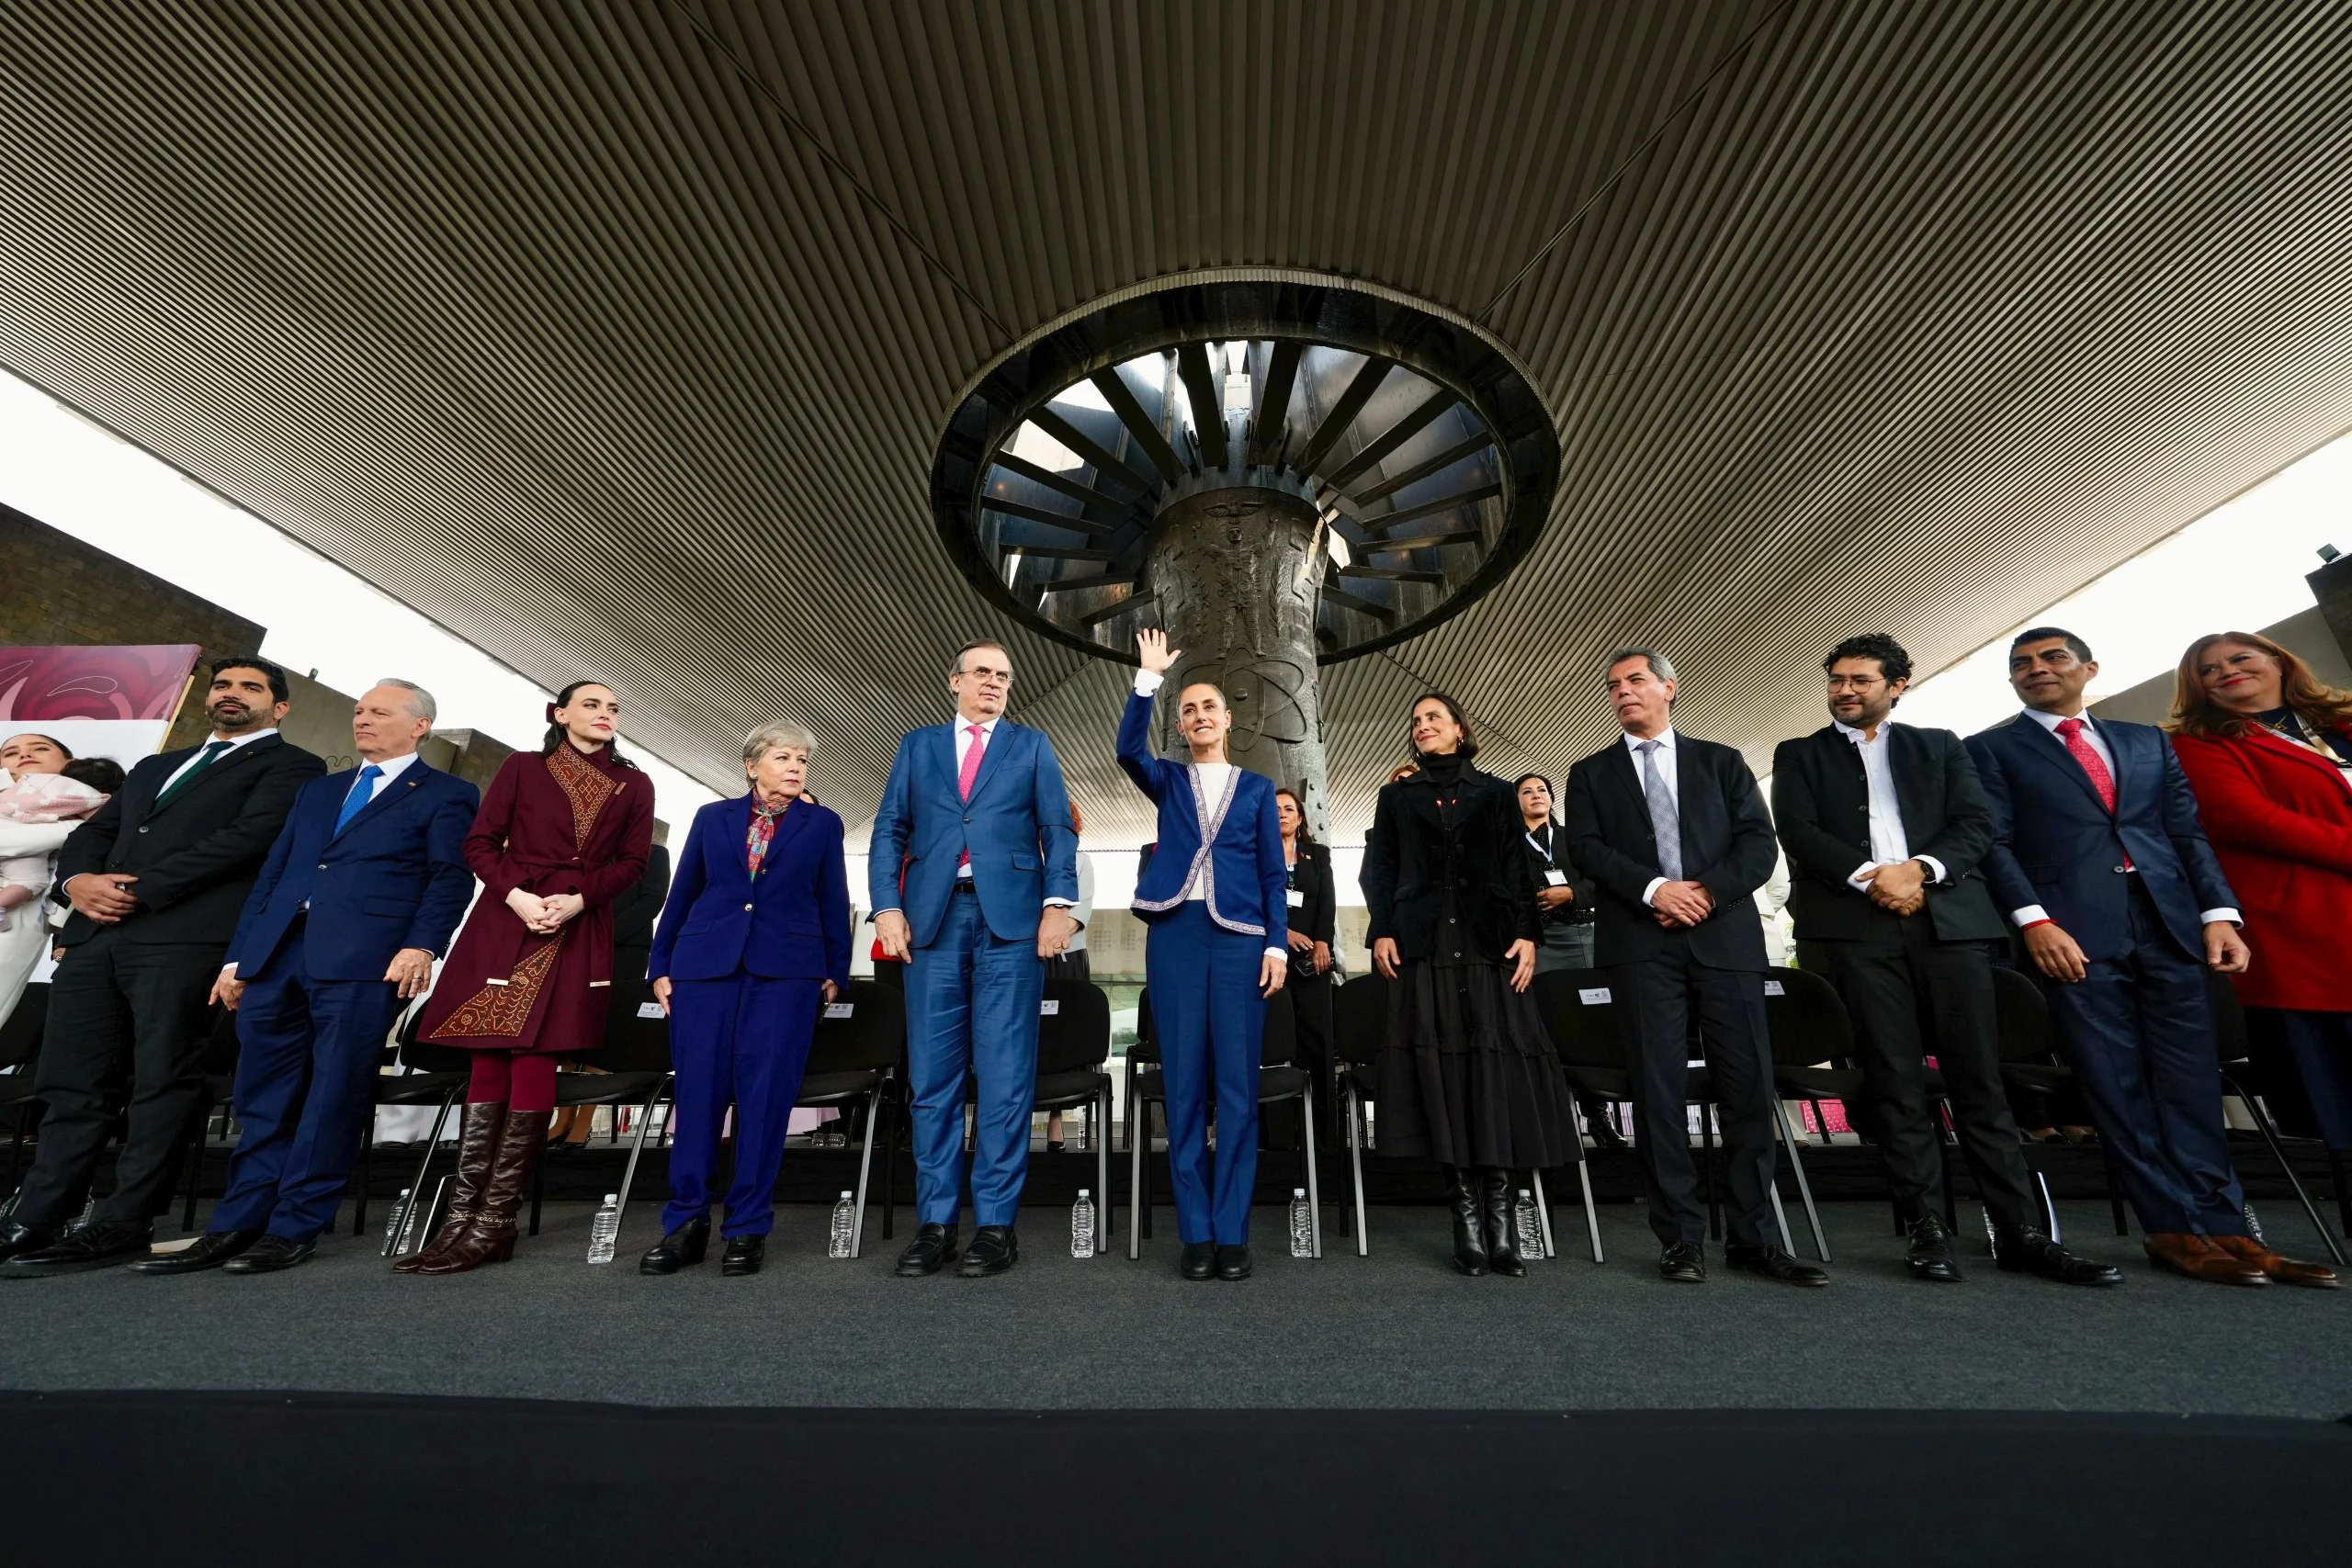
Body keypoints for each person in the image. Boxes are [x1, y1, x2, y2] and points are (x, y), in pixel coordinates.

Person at [1967, 627, 2334, 1287]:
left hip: (2170, 926)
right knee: (2118, 1086)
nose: (2036, 669)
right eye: (2021, 664)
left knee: (2191, 1084)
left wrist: (2220, 915)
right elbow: (1995, 843)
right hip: (2072, 935)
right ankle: (2170, 1230)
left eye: (2053, 658)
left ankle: (2228, 1229)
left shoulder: (2145, 742)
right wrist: (2035, 922)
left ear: (2089, 668)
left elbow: (2186, 833)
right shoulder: (1989, 749)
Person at [1771, 635, 2120, 1286]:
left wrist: (1919, 872)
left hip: (1950, 925)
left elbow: (1975, 825)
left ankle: (2020, 1233)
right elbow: (1798, 830)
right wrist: (1873, 878)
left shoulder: (1939, 744)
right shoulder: (1800, 754)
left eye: (1861, 680)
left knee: (1979, 1080)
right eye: (1836, 680)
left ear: (1898, 684)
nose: (1845, 690)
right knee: (1895, 1079)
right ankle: (1927, 1229)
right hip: (1856, 929)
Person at [130, 681, 478, 1274]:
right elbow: (276, 873)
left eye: (380, 712)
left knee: (332, 1094)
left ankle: (294, 1226)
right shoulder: (320, 791)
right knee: (262, 1098)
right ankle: (236, 1224)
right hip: (276, 959)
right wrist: (239, 958)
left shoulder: (448, 792)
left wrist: (420, 944)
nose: (363, 720)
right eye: (359, 711)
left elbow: (449, 876)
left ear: (420, 725)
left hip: (365, 959)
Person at [1, 659, 324, 1273]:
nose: (232, 695)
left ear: (278, 708)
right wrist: (80, 882)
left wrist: (137, 887)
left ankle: (123, 1220)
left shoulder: (293, 766)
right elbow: (93, 833)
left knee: (161, 1082)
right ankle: (35, 1216)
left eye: (251, 688)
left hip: (185, 939)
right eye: (224, 684)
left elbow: (248, 839)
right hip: (97, 938)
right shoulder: (155, 765)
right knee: (72, 1082)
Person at [1561, 648, 1826, 1286]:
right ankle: (1679, 1237)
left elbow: (1759, 843)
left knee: (1746, 1087)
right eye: (1613, 685)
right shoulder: (1590, 772)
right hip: (1640, 944)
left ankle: (1753, 1237)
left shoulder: (1722, 762)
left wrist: (1704, 891)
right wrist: (1657, 889)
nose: (1623, 691)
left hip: (1725, 941)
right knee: (1657, 1091)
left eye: (1635, 680)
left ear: (1669, 687)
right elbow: (1587, 850)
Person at [397, 681, 654, 1276]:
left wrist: (574, 900)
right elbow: (480, 843)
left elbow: (633, 863)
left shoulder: (634, 782)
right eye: (592, 704)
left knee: (536, 1059)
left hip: (576, 923)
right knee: (487, 1060)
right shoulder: (521, 767)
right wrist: (516, 895)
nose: (606, 713)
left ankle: (495, 1222)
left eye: (615, 706)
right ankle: (462, 1217)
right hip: (506, 917)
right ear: (559, 713)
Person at [870, 639, 1079, 1279]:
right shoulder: (917, 746)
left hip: (1011, 923)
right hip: (931, 920)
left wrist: (1059, 902)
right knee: (932, 1081)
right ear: (954, 679)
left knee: (1005, 1076)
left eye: (1004, 676)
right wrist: (886, 905)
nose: (994, 682)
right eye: (982, 673)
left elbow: (1057, 829)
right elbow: (889, 829)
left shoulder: (1032, 745)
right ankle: (934, 1223)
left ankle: (994, 1224)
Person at [1363, 692, 1577, 1278]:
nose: (1422, 725)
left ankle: (1501, 1225)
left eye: (1433, 717)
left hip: (1491, 948)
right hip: (1423, 948)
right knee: (1444, 1080)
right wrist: (1381, 930)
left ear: (1460, 729)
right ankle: (1465, 1220)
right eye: (1415, 720)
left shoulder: (1497, 792)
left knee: (1495, 1078)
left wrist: (1529, 935)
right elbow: (1380, 869)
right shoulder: (1396, 795)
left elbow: (1517, 869)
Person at [639, 724, 849, 1278]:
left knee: (765, 1101)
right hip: (703, 970)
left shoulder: (823, 824)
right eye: (784, 757)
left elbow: (833, 898)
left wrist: (834, 972)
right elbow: (681, 893)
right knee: (698, 1099)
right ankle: (684, 1224)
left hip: (787, 974)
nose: (797, 766)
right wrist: (660, 966)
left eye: (803, 759)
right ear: (752, 764)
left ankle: (747, 1226)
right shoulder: (713, 818)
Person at [2168, 630, 2352, 1260]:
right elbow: (2245, 818)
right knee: (2340, 1080)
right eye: (2209, 669)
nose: (2227, 671)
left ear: (2278, 660)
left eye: (2242, 657)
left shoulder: (2337, 721)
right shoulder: (2202, 744)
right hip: (2305, 925)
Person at [1120, 629, 1288, 1280]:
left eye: (1207, 707)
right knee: (1183, 1084)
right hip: (1177, 936)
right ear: (1181, 724)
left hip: (1243, 940)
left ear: (1228, 718)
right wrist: (1148, 680)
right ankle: (1196, 1233)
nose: (1197, 716)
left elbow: (1276, 876)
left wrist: (1277, 940)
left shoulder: (1256, 789)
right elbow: (1126, 750)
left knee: (1238, 1089)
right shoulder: (1165, 778)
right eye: (1187, 710)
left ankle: (1232, 1230)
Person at [1515, 773, 1622, 1149]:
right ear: (1517, 802)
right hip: (1539, 942)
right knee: (1550, 1028)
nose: (1535, 796)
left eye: (1541, 790)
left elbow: (1602, 881)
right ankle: (1557, 1120)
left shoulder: (1571, 838)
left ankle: (1598, 1115)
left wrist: (1571, 894)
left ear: (1551, 799)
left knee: (1593, 1025)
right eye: (1526, 792)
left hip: (1585, 935)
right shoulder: (1509, 843)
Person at [0, 735, 120, 1028]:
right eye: (11, 752)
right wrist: (81, 828)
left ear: (71, 762)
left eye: (40, 748)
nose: (25, 754)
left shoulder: (88, 801)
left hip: (20, 921)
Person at [1269, 784, 1338, 1149]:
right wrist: (1281, 932)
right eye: (1275, 809)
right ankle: (1278, 1135)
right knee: (1277, 1044)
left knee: (1317, 1042)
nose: (1282, 813)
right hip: (1271, 958)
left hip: (1314, 959)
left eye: (1289, 809)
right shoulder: (1254, 854)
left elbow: (1327, 900)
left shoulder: (1317, 854)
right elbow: (1247, 901)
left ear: (1300, 818)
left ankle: (1323, 1135)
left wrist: (1323, 940)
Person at [1042, 798, 1095, 1154]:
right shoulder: (1023, 857)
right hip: (1026, 956)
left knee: (1065, 1035)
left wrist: (1057, 933)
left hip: (1067, 954)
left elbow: (1083, 907)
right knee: (1032, 1036)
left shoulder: (1081, 861)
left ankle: (1057, 1118)